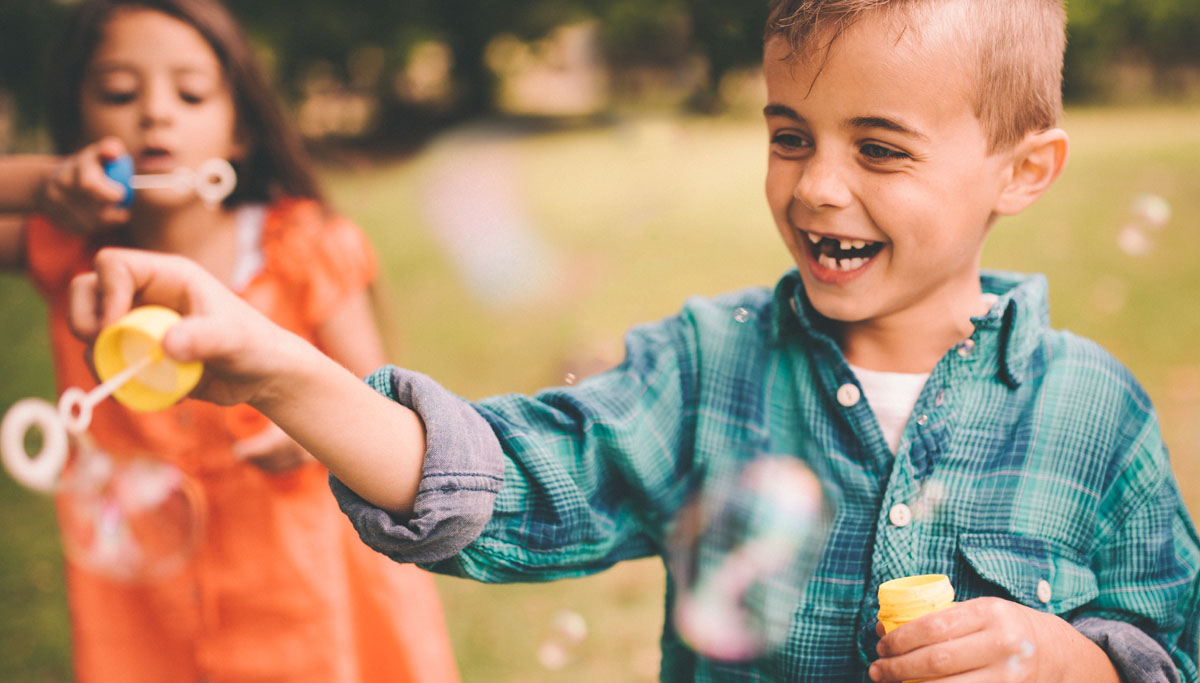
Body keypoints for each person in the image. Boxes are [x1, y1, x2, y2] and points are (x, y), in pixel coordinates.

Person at [56, 0, 1200, 680]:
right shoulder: (708, 368)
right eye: (789, 135)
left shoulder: (1095, 413)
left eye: (881, 148)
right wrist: (277, 363)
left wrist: (1079, 661)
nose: (816, 187)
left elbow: (1170, 640)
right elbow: (496, 483)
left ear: (1024, 170)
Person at [0, 1, 459, 681]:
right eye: (120, 92)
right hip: (148, 615)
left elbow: (384, 410)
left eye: (190, 93)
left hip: (309, 597)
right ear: (77, 120)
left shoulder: (304, 248)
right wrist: (40, 183)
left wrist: (314, 432)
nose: (156, 113)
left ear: (240, 129)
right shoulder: (72, 253)